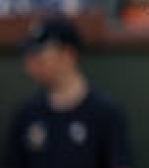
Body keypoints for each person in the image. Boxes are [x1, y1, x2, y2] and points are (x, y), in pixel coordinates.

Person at [3, 18, 134, 168]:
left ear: (67, 55)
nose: (31, 65)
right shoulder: (25, 115)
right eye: (30, 57)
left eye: (39, 56)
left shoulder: (105, 113)